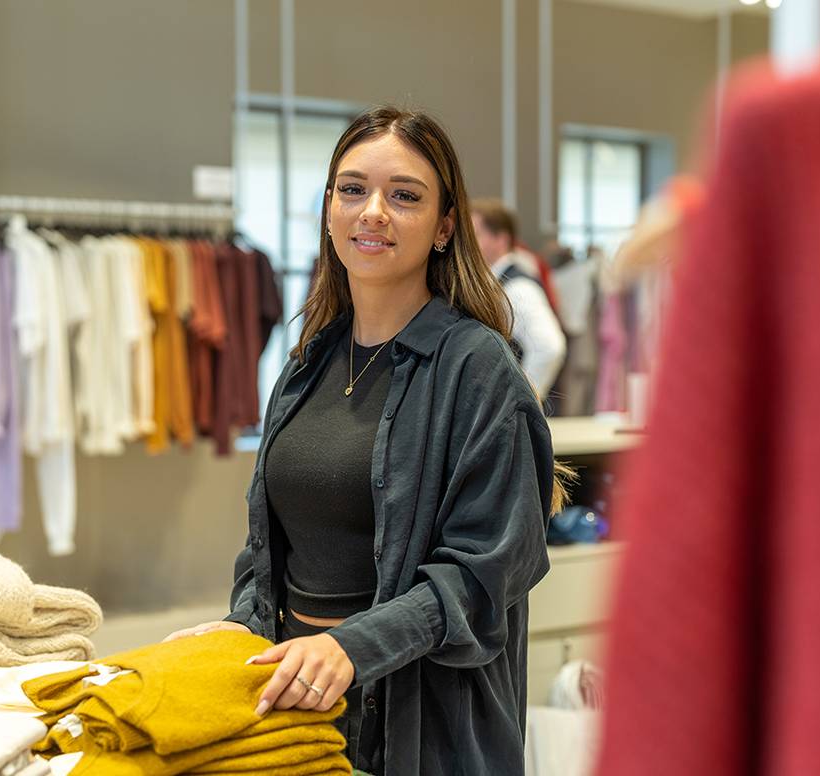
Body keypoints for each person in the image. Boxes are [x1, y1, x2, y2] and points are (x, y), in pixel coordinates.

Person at [165, 106, 565, 775]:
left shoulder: (476, 368)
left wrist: (352, 648)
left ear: (444, 227)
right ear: (328, 210)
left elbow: (483, 573)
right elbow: (270, 545)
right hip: (303, 721)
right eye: (352, 189)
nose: (372, 211)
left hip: (423, 729)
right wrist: (243, 624)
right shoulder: (309, 362)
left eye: (403, 196)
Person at [471, 199, 568, 393]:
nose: (468, 244)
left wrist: (520, 401)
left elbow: (549, 347)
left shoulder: (518, 288)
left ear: (501, 240)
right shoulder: (495, 284)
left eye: (476, 235)